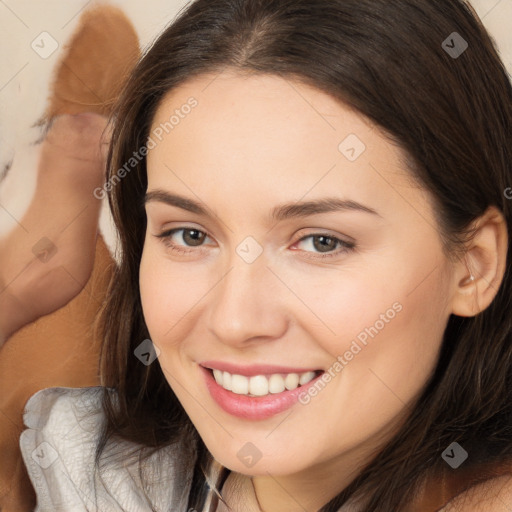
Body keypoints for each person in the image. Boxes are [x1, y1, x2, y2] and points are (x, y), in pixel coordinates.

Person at [2, 0, 512, 510]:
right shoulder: (94, 471)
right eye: (189, 234)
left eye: (321, 242)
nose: (235, 321)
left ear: (474, 265)